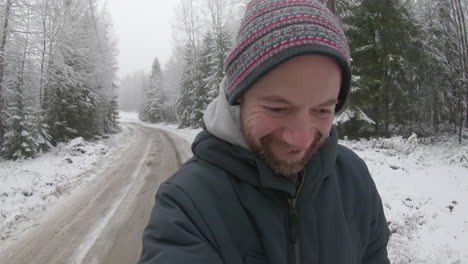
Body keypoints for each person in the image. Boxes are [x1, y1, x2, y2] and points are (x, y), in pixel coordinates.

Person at [138, 0, 390, 263]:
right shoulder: (187, 204)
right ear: (239, 97)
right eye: (277, 109)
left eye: (323, 111)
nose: (301, 139)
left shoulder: (352, 178)